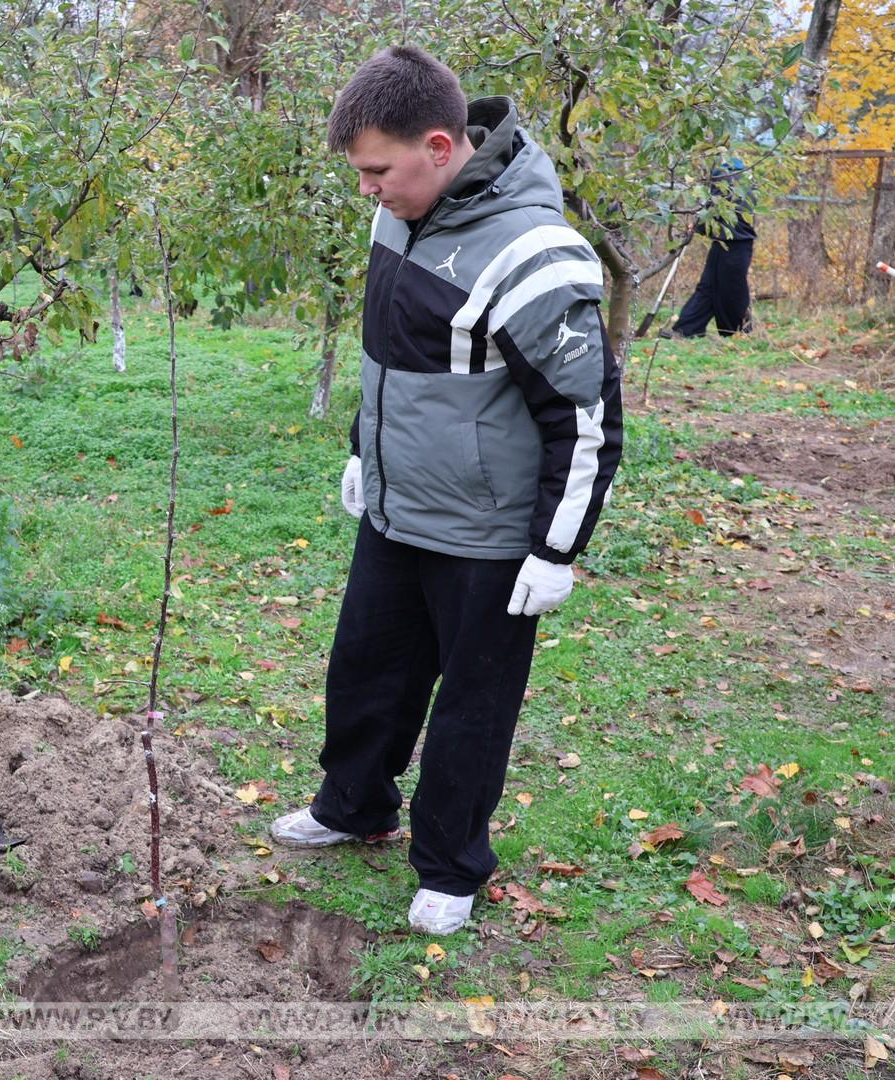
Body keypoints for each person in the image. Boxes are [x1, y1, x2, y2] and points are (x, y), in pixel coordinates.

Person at [269, 47, 624, 936]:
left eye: (377, 171)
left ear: (439, 145)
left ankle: (451, 866)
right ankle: (354, 805)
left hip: (489, 537)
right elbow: (390, 358)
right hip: (399, 508)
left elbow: (585, 421)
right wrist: (364, 450)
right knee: (365, 674)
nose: (367, 190)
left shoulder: (536, 254)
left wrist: (554, 550)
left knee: (471, 704)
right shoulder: (403, 213)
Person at [667, 160, 756, 338]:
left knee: (730, 289)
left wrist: (697, 226)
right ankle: (687, 329)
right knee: (708, 285)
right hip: (725, 243)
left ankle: (737, 329)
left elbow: (713, 209)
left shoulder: (725, 180)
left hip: (735, 243)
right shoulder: (744, 180)